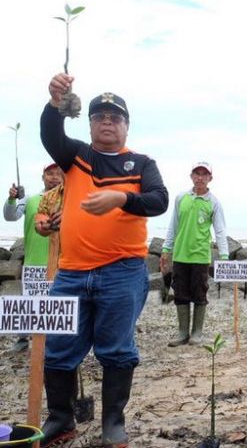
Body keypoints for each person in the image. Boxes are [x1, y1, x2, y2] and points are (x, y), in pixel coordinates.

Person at [41, 73, 169, 448]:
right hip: (71, 273)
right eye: (100, 116)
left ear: (126, 126)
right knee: (59, 348)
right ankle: (61, 420)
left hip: (122, 271)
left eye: (115, 117)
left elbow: (158, 200)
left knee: (116, 348)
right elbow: (51, 135)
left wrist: (121, 200)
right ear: (91, 123)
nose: (107, 122)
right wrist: (54, 103)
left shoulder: (142, 163)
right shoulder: (77, 156)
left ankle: (113, 422)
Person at [161, 162, 228, 347]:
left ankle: (196, 333)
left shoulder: (213, 202)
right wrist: (166, 249)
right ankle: (183, 332)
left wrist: (224, 256)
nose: (200, 177)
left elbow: (220, 231)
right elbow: (173, 226)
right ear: (191, 176)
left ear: (210, 178)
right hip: (180, 255)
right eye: (196, 173)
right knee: (180, 293)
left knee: (199, 293)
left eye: (204, 174)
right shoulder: (181, 197)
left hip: (200, 256)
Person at [3, 163, 63, 352]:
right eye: (49, 174)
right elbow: (10, 216)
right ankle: (23, 340)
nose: (54, 177)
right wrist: (12, 199)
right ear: (43, 177)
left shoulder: (68, 198)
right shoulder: (29, 199)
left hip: (62, 261)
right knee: (29, 300)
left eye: (58, 174)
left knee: (59, 302)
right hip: (34, 260)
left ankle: (55, 341)